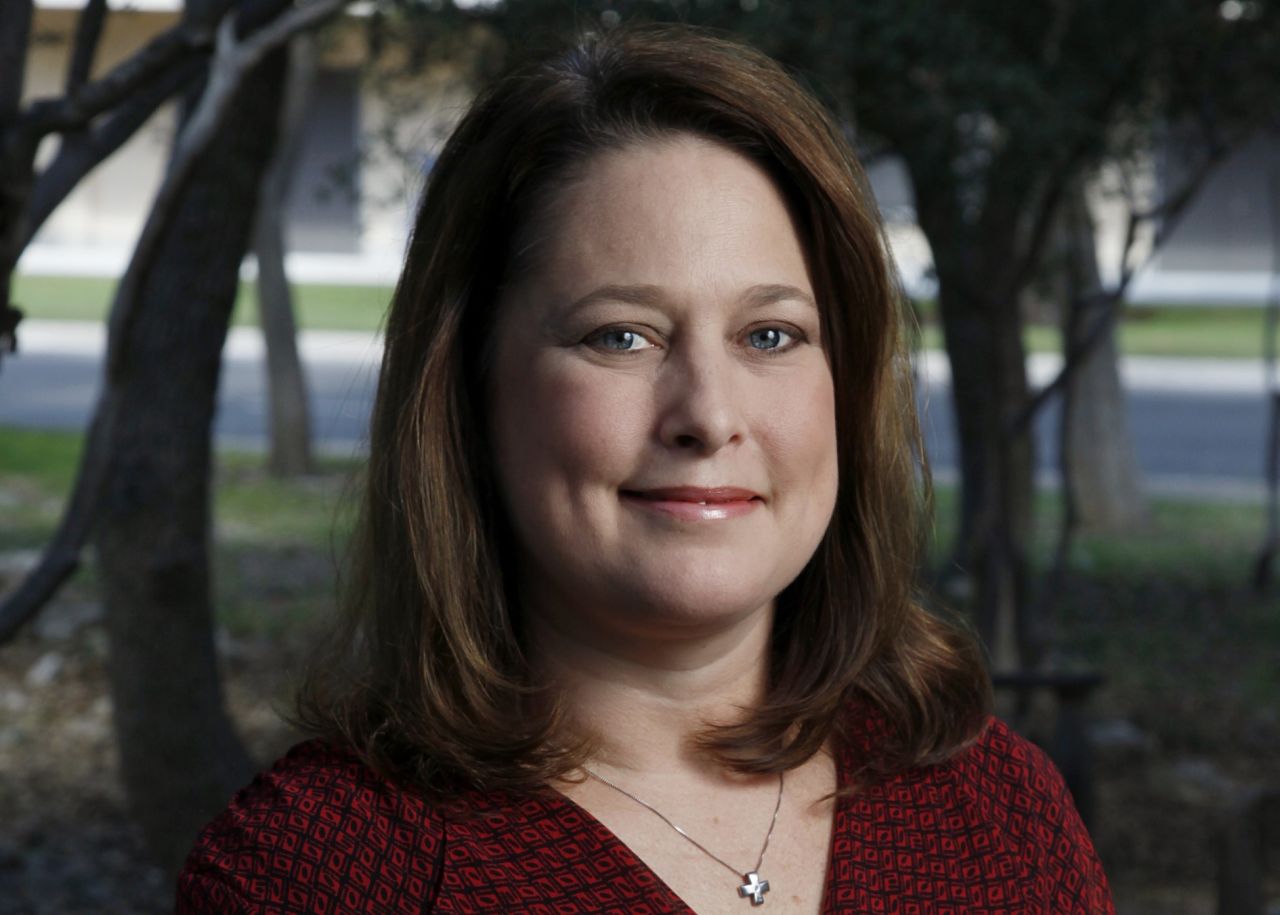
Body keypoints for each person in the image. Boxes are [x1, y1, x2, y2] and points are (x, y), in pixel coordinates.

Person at [176, 24, 1113, 914]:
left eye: (770, 334)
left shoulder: (998, 810)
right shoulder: (317, 876)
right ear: (467, 389)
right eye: (621, 335)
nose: (707, 414)